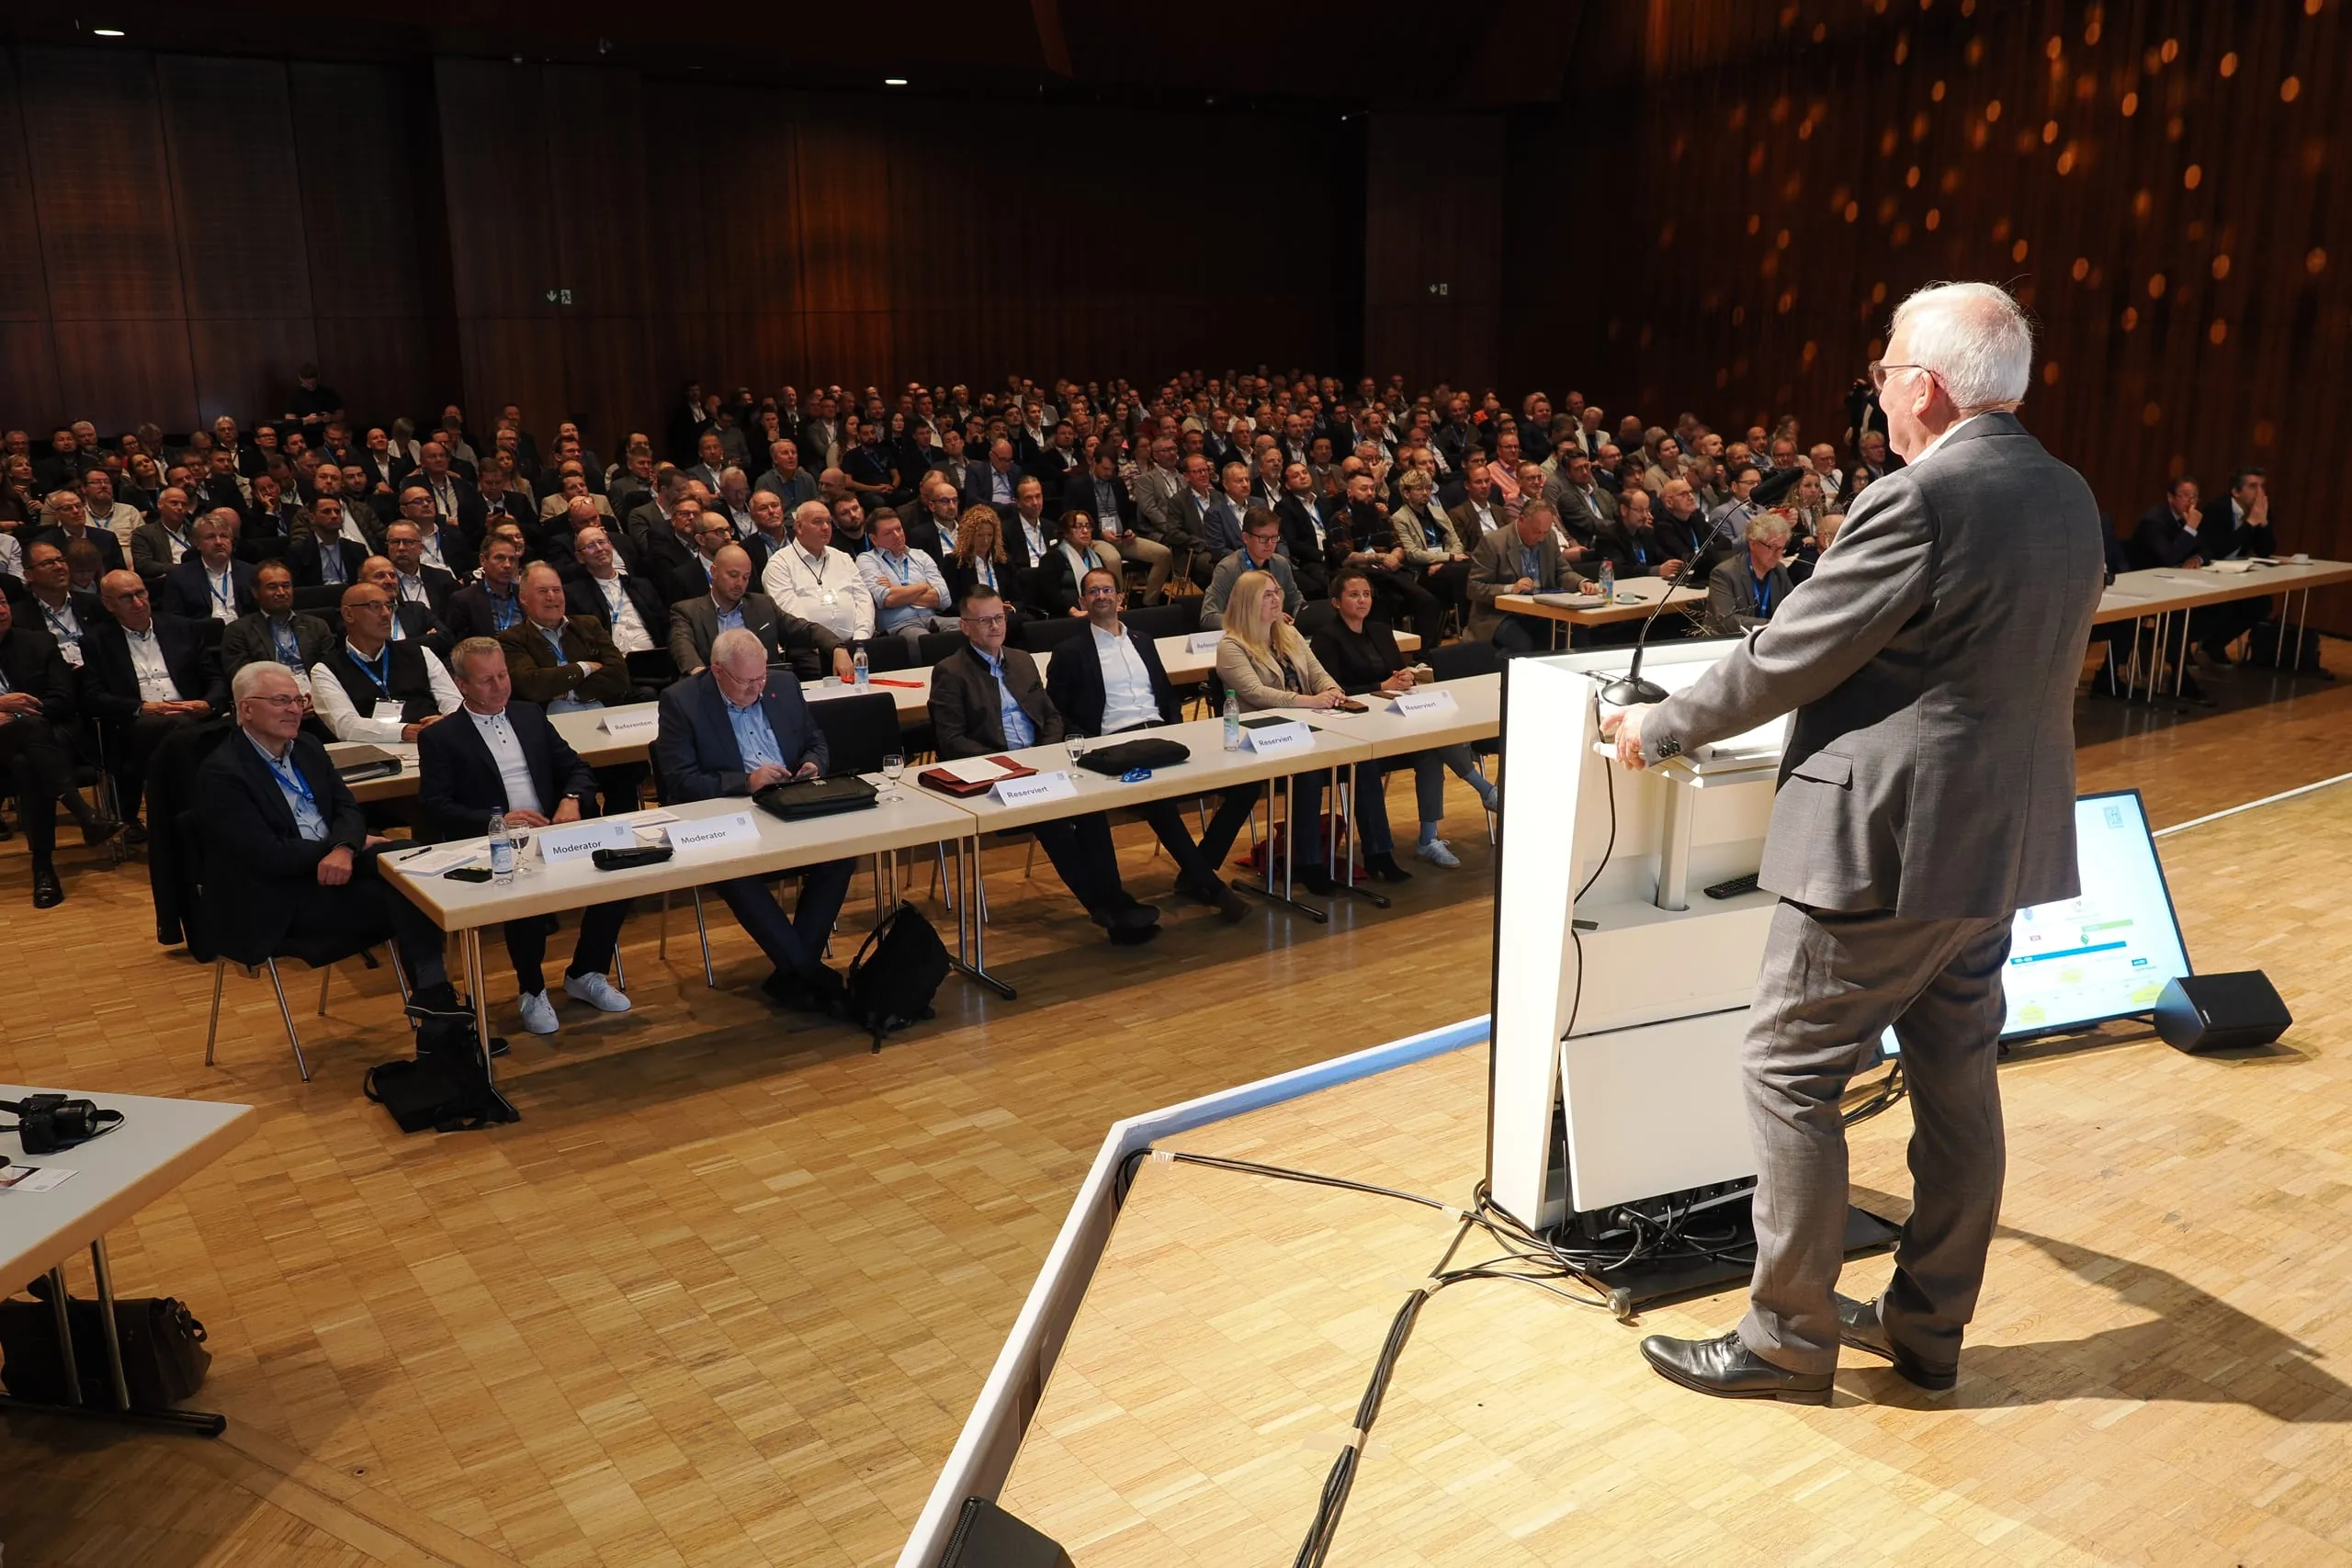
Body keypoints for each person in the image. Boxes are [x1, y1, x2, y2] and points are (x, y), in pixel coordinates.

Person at [1605, 282, 2104, 1406]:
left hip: (1886, 852)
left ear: (1920, 387)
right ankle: (1927, 1332)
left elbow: (1789, 655)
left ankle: (1785, 1339)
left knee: (1788, 1070)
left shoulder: (1920, 497)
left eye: (1880, 370)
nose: (1872, 389)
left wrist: (1659, 722)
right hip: (1997, 847)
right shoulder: (2068, 494)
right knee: (1957, 1085)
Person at [197, 662, 455, 1001]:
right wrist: (337, 848)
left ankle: (435, 1005)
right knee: (407, 897)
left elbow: (347, 807)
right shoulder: (222, 773)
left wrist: (346, 847)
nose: (293, 709)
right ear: (246, 709)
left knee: (410, 857)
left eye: (297, 700)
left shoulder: (307, 747)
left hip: (336, 864)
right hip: (279, 893)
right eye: (280, 701)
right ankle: (438, 1008)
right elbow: (267, 853)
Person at [417, 637, 634, 1035]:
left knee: (617, 881)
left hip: (555, 830)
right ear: (461, 685)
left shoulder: (529, 715)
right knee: (524, 897)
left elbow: (577, 768)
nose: (499, 686)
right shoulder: (441, 738)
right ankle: (531, 990)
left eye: (503, 675)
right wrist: (499, 820)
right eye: (486, 680)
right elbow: (436, 806)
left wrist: (570, 800)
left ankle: (586, 971)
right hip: (496, 843)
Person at [930, 587, 1162, 944]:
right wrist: (1010, 766)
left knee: (1091, 809)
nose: (995, 626)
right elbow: (951, 740)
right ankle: (1107, 909)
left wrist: (1044, 753)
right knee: (1052, 821)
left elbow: (1051, 716)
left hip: (1041, 765)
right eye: (985, 620)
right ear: (965, 627)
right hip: (994, 778)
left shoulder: (1022, 660)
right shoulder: (950, 672)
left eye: (999, 617)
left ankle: (1114, 900)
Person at [650, 627, 856, 1012]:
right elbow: (680, 781)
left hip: (790, 803)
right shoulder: (681, 702)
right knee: (736, 873)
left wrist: (813, 764)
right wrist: (746, 782)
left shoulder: (784, 684)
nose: (757, 688)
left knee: (841, 854)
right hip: (726, 816)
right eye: (746, 681)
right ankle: (806, 972)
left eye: (761, 677)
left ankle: (796, 972)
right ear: (716, 671)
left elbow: (816, 740)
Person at [1044, 566, 1251, 921]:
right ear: (1082, 601)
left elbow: (1166, 696)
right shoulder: (1070, 651)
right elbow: (1058, 712)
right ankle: (1210, 885)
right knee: (1159, 801)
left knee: (1246, 783)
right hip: (1112, 743)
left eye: (1108, 590)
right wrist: (1092, 746)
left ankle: (1195, 872)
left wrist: (1176, 729)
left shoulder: (1143, 639)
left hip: (1162, 735)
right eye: (1093, 592)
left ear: (1121, 598)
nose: (1102, 597)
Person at [1310, 567, 1491, 875]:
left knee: (1430, 746)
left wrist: (1404, 677)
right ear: (1336, 602)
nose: (1362, 601)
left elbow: (1396, 672)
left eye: (1366, 594)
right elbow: (1333, 690)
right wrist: (1379, 687)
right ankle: (1482, 792)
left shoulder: (1380, 630)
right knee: (1432, 742)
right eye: (1354, 595)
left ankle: (1428, 838)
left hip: (1396, 716)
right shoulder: (1326, 639)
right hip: (1358, 727)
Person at [1214, 568, 1347, 895]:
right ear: (1247, 603)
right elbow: (1257, 693)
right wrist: (1310, 700)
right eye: (1268, 595)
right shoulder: (1231, 646)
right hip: (1260, 731)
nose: (1277, 599)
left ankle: (1378, 852)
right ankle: (1310, 863)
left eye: (1277, 593)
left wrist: (1332, 691)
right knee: (1309, 771)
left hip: (1308, 721)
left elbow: (1318, 672)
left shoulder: (1289, 633)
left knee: (1365, 762)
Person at [80, 570, 223, 837]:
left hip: (192, 714)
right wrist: (140, 707)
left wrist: (207, 704)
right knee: (182, 730)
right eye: (126, 598)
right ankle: (199, 818)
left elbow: (215, 679)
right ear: (109, 604)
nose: (138, 603)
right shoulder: (96, 641)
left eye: (141, 593)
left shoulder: (181, 628)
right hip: (137, 724)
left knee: (187, 728)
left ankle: (180, 823)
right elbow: (93, 696)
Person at [0, 593, 120, 905]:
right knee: (30, 739)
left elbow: (63, 699)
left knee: (27, 760)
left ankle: (43, 867)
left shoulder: (38, 643)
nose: (1, 610)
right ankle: (83, 814)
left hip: (47, 742)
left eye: (2, 601)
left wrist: (14, 716)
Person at [671, 542, 848, 680]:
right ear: (714, 572)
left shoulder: (762, 605)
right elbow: (683, 649)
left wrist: (836, 647)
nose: (740, 583)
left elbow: (804, 629)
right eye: (733, 575)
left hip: (762, 688)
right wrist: (700, 674)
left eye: (745, 577)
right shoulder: (687, 611)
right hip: (713, 690)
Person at [311, 581, 461, 742]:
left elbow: (454, 702)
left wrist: (447, 720)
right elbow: (345, 725)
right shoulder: (326, 670)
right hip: (375, 753)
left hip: (435, 740)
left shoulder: (420, 652)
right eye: (375, 606)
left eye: (389, 606)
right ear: (348, 614)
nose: (386, 614)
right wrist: (405, 731)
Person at [498, 563, 630, 714]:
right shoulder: (511, 639)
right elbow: (532, 685)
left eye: (556, 590)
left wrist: (570, 693)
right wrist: (585, 667)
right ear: (523, 597)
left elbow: (619, 676)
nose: (551, 596)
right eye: (542, 591)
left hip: (601, 711)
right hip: (550, 720)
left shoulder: (589, 625)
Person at [1466, 499, 1590, 649]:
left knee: (1577, 635)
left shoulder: (1549, 538)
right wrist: (1510, 589)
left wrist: (1581, 582)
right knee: (1522, 643)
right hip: (1499, 616)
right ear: (1521, 520)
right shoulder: (1493, 543)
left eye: (1545, 532)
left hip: (1540, 611)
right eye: (1537, 531)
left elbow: (1562, 572)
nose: (1541, 538)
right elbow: (1474, 587)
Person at [761, 499, 875, 650]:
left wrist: (861, 641)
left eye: (828, 521)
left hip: (855, 645)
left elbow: (864, 600)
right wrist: (831, 646)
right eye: (817, 522)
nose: (826, 527)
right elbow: (790, 616)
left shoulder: (843, 558)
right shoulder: (779, 565)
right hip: (810, 650)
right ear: (799, 527)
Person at [856, 509, 957, 646]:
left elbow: (944, 599)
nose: (897, 535)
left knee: (963, 627)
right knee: (925, 641)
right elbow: (887, 599)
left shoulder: (920, 556)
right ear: (874, 539)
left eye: (899, 529)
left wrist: (896, 589)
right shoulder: (867, 560)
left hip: (931, 618)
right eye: (888, 533)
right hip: (899, 625)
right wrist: (923, 587)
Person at [1198, 509, 1302, 630]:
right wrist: (1256, 620)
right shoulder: (1228, 569)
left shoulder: (1281, 564)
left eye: (1274, 537)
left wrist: (1299, 617)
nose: (1270, 544)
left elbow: (1297, 601)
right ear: (1246, 538)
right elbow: (1208, 617)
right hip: (1243, 638)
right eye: (1263, 538)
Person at [1705, 512, 1797, 635]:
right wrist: (1769, 625)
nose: (1778, 554)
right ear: (1753, 544)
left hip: (1766, 641)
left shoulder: (1779, 570)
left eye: (1781, 548)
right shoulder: (1724, 573)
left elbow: (1793, 609)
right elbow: (1727, 620)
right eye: (1773, 547)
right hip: (1729, 642)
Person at [162, 513, 258, 623]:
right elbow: (173, 619)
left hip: (242, 633)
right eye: (210, 537)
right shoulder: (179, 576)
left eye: (224, 536)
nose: (218, 542)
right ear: (197, 544)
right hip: (203, 635)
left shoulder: (250, 572)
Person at [444, 536, 526, 642]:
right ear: (483, 560)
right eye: (500, 558)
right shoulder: (463, 600)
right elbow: (458, 647)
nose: (507, 565)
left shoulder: (525, 595)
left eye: (512, 559)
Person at [942, 503, 1021, 613]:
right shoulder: (955, 562)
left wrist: (1011, 608)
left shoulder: (1004, 560)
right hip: (974, 616)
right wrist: (976, 610)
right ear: (969, 536)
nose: (985, 541)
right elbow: (949, 603)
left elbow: (1019, 599)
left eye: (990, 535)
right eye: (980, 535)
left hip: (1002, 615)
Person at [286, 495, 368, 588]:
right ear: (312, 518)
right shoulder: (298, 551)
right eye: (326, 511)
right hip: (318, 599)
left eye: (337, 511)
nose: (334, 516)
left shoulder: (357, 549)